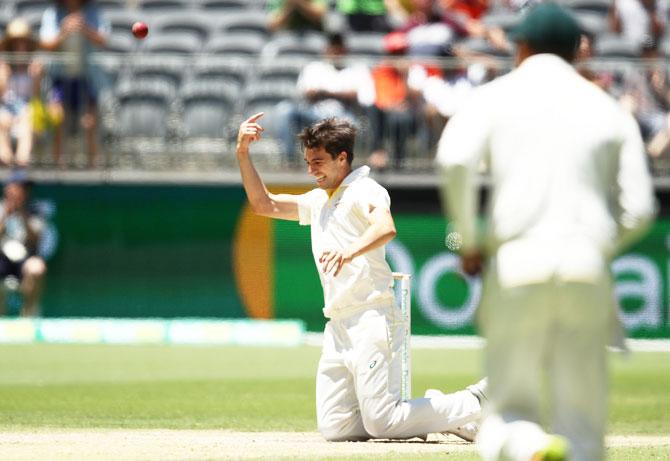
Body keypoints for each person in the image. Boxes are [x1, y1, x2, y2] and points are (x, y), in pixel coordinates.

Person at [436, 3, 656, 461]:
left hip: (517, 263)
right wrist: (596, 246)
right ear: (578, 51)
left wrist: (469, 239)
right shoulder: (606, 106)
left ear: (521, 47)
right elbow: (639, 209)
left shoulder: (497, 95)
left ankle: (530, 444)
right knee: (584, 429)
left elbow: (454, 161)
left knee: (505, 417)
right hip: (586, 268)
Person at [236, 113, 487, 442]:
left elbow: (386, 227)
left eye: (318, 162)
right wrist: (242, 153)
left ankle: (473, 400)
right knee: (335, 427)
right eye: (308, 162)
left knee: (382, 423)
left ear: (342, 158)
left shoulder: (364, 189)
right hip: (338, 324)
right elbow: (262, 204)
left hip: (371, 315)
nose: (310, 169)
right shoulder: (319, 201)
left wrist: (349, 251)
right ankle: (435, 412)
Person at [39, 0, 109, 168]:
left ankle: (93, 166)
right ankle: (59, 166)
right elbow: (46, 45)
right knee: (57, 118)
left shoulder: (94, 12)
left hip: (87, 78)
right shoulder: (52, 14)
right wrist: (64, 31)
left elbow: (104, 40)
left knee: (89, 121)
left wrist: (84, 28)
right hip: (60, 79)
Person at [0, 19, 51, 167]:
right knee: (1, 120)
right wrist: (3, 78)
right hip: (6, 111)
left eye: (22, 42)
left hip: (28, 112)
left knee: (27, 120)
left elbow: (36, 98)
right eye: (16, 43)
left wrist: (36, 79)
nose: (19, 47)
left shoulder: (36, 67)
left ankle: (22, 162)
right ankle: (5, 160)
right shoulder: (3, 66)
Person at [0, 170, 48, 317]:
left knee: (37, 267)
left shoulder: (35, 209)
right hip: (2, 258)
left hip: (24, 260)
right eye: (19, 186)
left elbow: (36, 240)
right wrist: (6, 214)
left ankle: (28, 316)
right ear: (8, 188)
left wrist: (22, 215)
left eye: (26, 188)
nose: (23, 191)